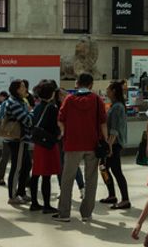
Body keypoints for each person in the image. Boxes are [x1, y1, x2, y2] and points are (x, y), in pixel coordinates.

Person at [55, 73, 108, 222]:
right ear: (91, 85)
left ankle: (64, 213)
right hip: (92, 145)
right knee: (91, 179)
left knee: (67, 179)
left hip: (72, 144)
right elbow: (103, 123)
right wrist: (106, 142)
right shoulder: (97, 100)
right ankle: (87, 213)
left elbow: (60, 119)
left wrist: (64, 132)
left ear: (77, 84)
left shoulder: (69, 100)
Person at [28, 80, 61, 214]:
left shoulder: (37, 107)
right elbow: (55, 127)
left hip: (38, 144)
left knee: (36, 174)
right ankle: (47, 204)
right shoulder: (52, 108)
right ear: (51, 94)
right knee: (46, 176)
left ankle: (34, 202)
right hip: (48, 144)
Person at [99, 80, 131, 209]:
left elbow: (115, 129)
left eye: (108, 89)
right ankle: (112, 194)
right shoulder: (114, 105)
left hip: (114, 144)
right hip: (111, 143)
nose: (106, 91)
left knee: (116, 170)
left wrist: (110, 146)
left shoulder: (117, 107)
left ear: (113, 91)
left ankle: (125, 199)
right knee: (103, 167)